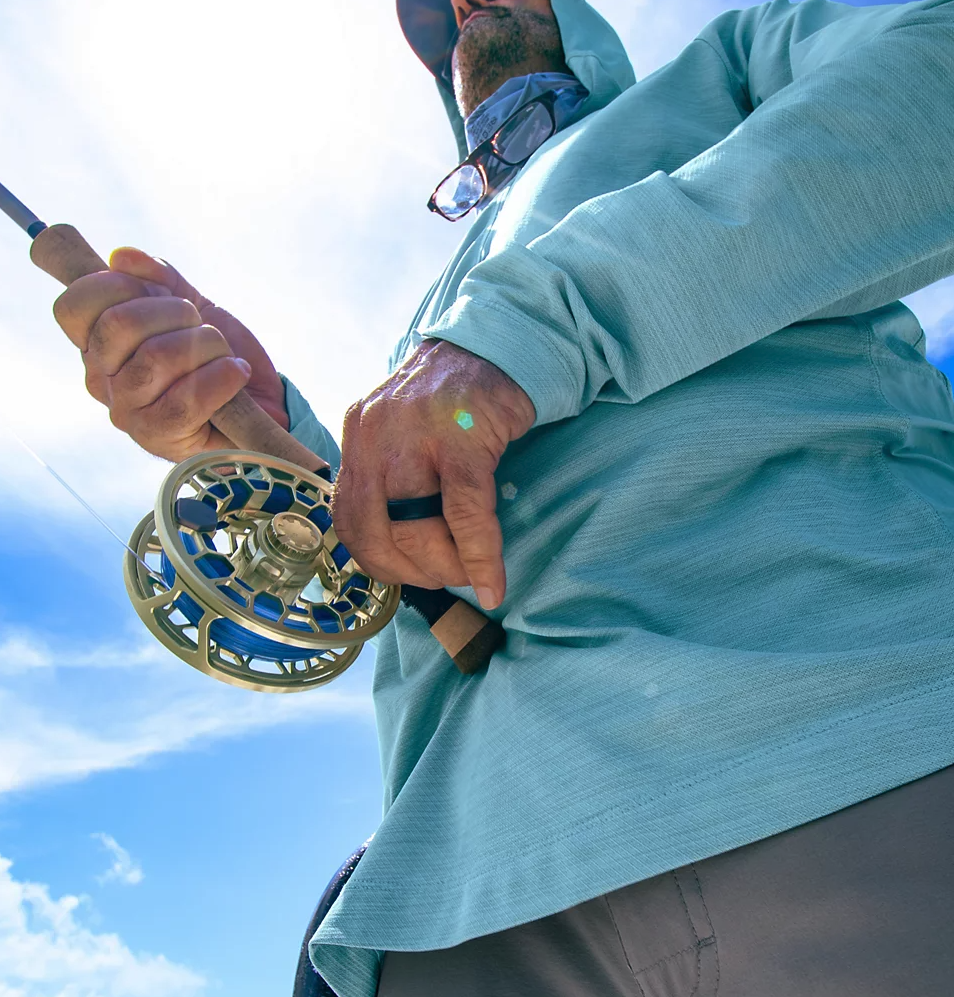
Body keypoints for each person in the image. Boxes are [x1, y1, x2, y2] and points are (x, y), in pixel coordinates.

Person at [52, 0, 954, 993]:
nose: (462, 5)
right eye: (435, 16)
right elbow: (419, 556)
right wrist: (266, 435)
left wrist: (524, 332)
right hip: (459, 906)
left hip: (843, 759)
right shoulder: (433, 319)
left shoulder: (731, 63)